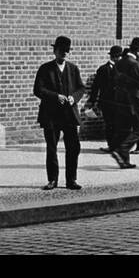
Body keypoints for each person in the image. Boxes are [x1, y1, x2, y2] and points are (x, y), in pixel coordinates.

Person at [34, 35, 86, 190]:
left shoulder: (73, 68)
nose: (64, 54)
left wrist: (73, 98)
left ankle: (71, 180)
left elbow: (81, 88)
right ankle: (52, 180)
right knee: (52, 148)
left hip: (69, 115)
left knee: (73, 147)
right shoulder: (45, 68)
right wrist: (55, 97)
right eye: (61, 51)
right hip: (51, 115)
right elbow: (38, 89)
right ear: (55, 51)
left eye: (66, 51)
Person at [111, 36, 139, 168]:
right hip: (136, 101)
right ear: (137, 51)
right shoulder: (135, 63)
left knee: (126, 130)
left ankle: (124, 160)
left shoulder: (120, 62)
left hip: (122, 101)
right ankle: (122, 149)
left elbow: (116, 80)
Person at [87, 44, 122, 153]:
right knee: (109, 125)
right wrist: (92, 102)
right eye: (118, 56)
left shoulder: (122, 69)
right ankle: (111, 146)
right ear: (114, 57)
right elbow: (95, 87)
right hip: (106, 102)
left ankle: (117, 146)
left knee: (118, 124)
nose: (119, 59)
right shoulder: (103, 69)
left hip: (119, 102)